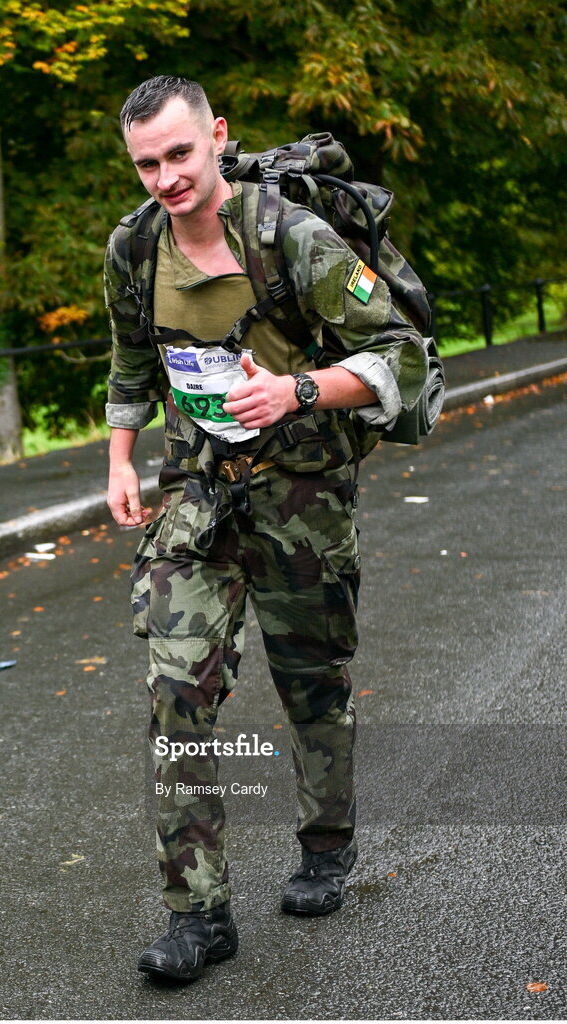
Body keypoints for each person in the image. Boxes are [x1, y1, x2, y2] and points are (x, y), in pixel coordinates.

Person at [104, 75, 427, 983]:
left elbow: (400, 350)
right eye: (146, 164)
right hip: (198, 497)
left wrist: (298, 389)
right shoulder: (134, 247)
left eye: (178, 154)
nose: (165, 178)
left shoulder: (292, 235)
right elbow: (132, 359)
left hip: (303, 495)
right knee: (177, 695)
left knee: (311, 683)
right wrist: (121, 460)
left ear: (216, 137)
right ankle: (199, 916)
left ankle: (326, 844)